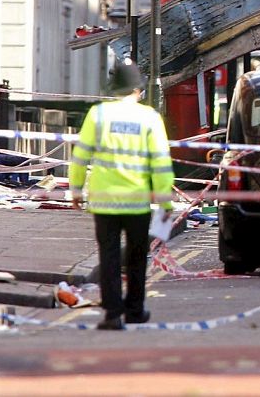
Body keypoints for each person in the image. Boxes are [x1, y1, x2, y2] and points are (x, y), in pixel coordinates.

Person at [69, 61, 174, 330]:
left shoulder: (98, 114)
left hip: (104, 200)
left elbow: (80, 156)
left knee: (110, 257)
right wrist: (165, 199)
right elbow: (161, 162)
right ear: (138, 90)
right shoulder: (149, 117)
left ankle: (113, 313)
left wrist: (76, 189)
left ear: (114, 88)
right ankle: (135, 310)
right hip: (137, 200)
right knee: (137, 258)